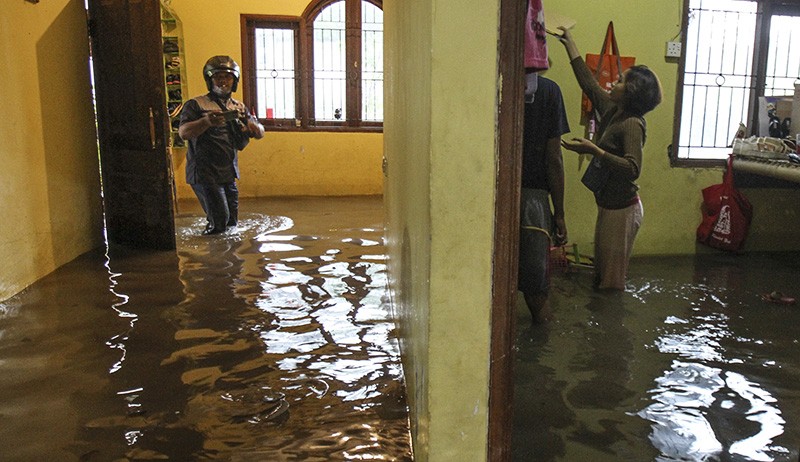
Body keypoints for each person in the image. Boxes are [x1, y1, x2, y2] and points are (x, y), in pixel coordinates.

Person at [556, 26, 662, 290]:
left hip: (622, 210)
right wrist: (570, 44)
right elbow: (589, 85)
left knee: (611, 284)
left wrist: (595, 151)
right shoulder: (614, 110)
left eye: (622, 81)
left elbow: (633, 167)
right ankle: (602, 325)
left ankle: (613, 327)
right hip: (609, 205)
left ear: (632, 92)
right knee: (601, 277)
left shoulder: (632, 123)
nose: (614, 82)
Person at [179, 55, 265, 235]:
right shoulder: (196, 105)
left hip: (228, 172)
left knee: (232, 225)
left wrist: (254, 128)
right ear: (210, 80)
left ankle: (230, 260)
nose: (223, 81)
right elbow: (184, 132)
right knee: (219, 224)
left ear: (234, 80)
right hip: (204, 173)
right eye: (218, 77)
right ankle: (212, 261)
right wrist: (206, 122)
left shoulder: (238, 107)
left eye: (227, 77)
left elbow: (259, 131)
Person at [518, 71, 570, 323]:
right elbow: (554, 159)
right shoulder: (549, 92)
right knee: (536, 291)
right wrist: (559, 214)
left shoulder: (493, 84)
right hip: (533, 204)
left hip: (492, 193)